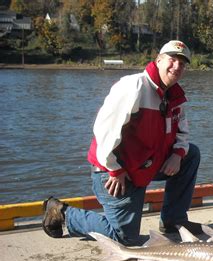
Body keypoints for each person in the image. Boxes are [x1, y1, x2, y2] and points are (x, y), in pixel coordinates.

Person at [42, 40, 203, 245]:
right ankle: (63, 213)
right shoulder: (134, 86)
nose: (177, 67)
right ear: (159, 60)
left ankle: (174, 221)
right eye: (172, 60)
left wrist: (177, 154)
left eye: (182, 63)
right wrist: (115, 169)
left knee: (191, 155)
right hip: (117, 171)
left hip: (145, 165)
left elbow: (182, 132)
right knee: (124, 238)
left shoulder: (175, 97)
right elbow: (104, 130)